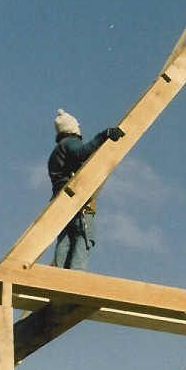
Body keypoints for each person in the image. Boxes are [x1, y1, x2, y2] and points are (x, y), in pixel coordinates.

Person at [48, 109, 124, 270]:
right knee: (84, 235)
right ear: (72, 128)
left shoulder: (56, 151)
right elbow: (82, 153)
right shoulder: (70, 142)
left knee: (66, 239)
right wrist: (104, 135)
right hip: (76, 199)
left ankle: (59, 273)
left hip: (60, 201)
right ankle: (75, 275)